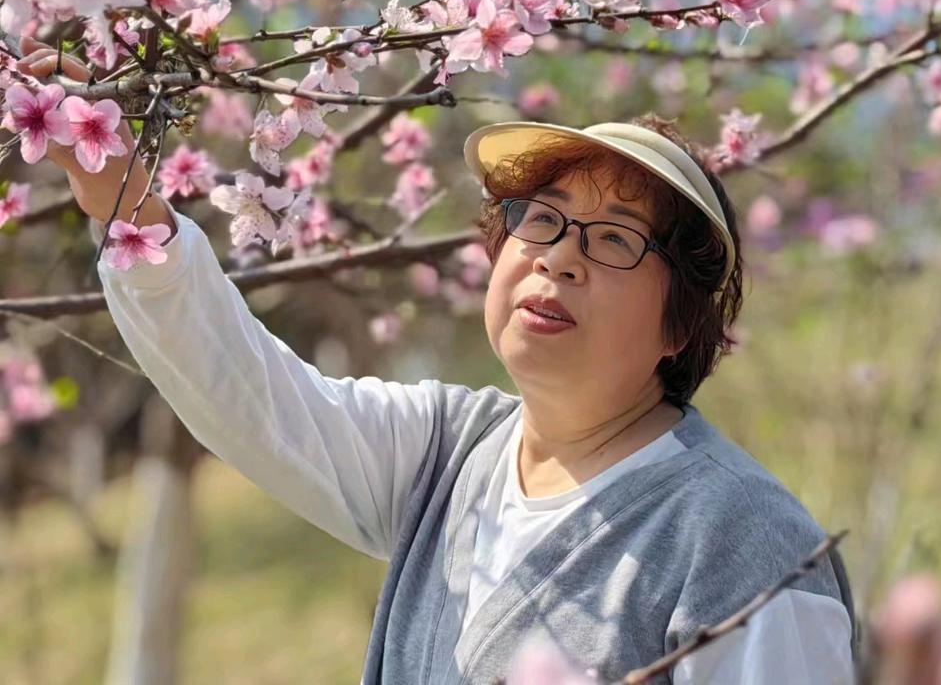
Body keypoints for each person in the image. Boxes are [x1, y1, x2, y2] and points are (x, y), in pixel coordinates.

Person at [14, 37, 857, 683]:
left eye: (613, 240)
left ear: (682, 326)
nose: (560, 258)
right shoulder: (448, 454)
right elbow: (249, 394)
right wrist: (122, 200)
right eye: (543, 219)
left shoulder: (746, 541)